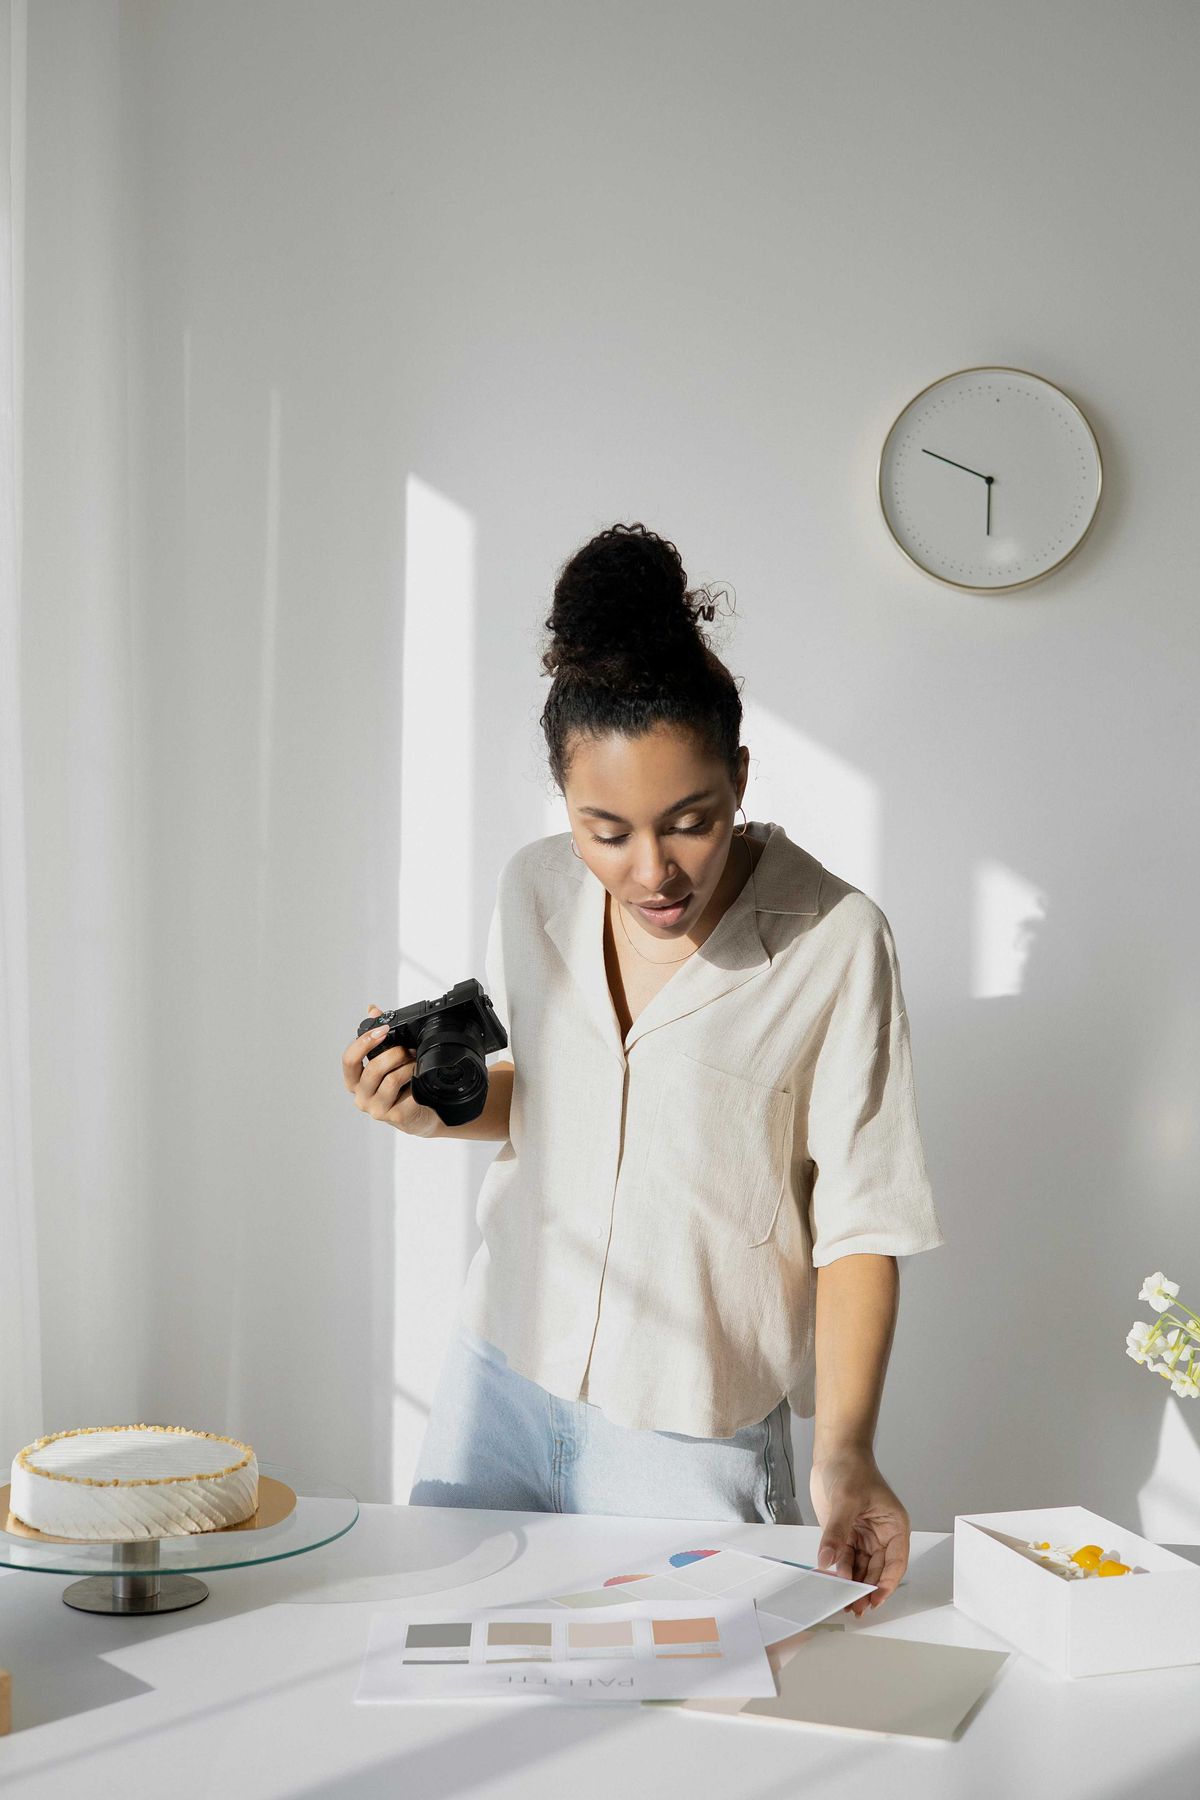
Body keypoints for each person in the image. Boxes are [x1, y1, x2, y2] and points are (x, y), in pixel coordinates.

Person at [342, 522, 946, 1618]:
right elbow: (568, 1108)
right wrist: (436, 1112)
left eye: (691, 822)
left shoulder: (836, 940)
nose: (653, 869)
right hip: (500, 1377)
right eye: (604, 830)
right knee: (452, 1697)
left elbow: (865, 1220)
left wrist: (847, 1451)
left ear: (741, 777)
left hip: (688, 1430)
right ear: (562, 801)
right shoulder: (531, 890)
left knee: (690, 1741)